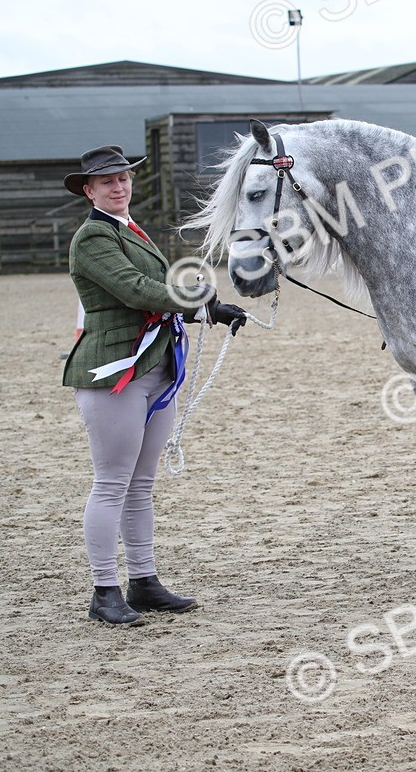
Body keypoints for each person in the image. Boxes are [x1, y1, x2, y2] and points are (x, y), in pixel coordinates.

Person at [61, 145, 247, 626]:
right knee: (111, 483)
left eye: (122, 178)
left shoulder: (130, 230)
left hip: (155, 367)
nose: (119, 186)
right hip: (114, 370)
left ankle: (142, 580)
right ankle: (105, 590)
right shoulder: (92, 238)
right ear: (89, 190)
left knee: (140, 484)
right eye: (107, 182)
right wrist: (200, 306)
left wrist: (206, 301)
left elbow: (161, 280)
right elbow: (135, 289)